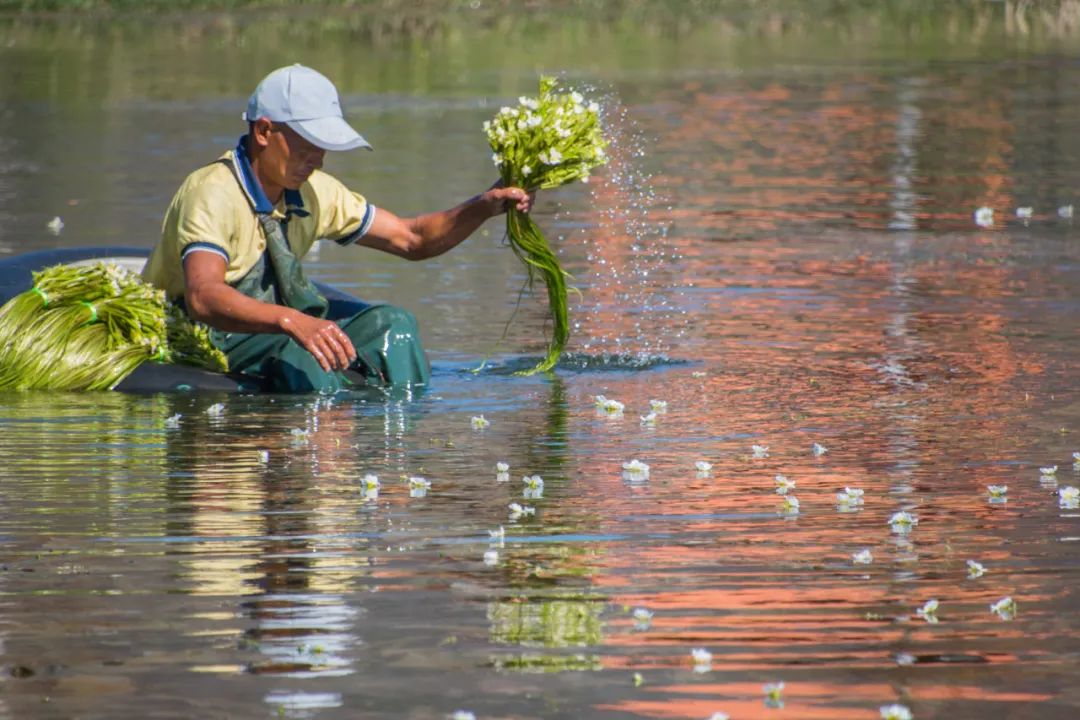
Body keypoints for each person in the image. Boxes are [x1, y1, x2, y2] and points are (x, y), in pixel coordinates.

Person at [142, 64, 532, 393]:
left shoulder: (313, 191)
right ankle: (322, 449)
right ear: (263, 132)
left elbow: (412, 239)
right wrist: (291, 320)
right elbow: (204, 296)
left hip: (274, 322)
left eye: (323, 147)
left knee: (393, 324)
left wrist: (483, 206)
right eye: (307, 145)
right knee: (303, 356)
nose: (319, 161)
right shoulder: (212, 191)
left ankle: (406, 439)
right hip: (201, 332)